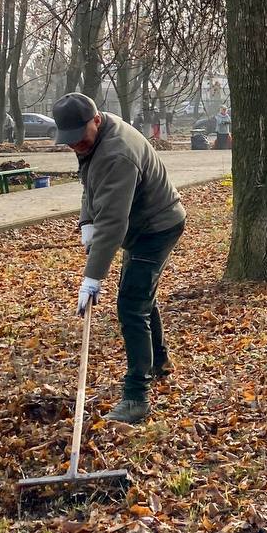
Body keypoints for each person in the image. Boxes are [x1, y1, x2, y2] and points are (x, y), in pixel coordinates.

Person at [54, 92, 187, 425]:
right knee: (140, 295)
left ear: (95, 120)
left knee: (131, 304)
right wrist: (86, 222)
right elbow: (90, 184)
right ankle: (157, 361)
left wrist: (92, 277)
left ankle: (136, 397)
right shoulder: (94, 139)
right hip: (141, 225)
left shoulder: (117, 153)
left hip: (156, 227)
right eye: (69, 142)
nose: (76, 147)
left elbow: (114, 222)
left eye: (79, 139)